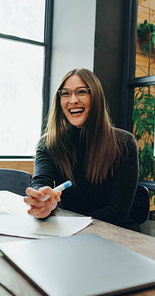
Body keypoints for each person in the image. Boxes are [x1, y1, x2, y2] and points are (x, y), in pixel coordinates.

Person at [24, 68, 140, 230]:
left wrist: (70, 225)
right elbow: (41, 182)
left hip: (113, 234)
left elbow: (117, 213)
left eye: (82, 92)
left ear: (96, 98)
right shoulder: (48, 144)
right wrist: (41, 200)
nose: (73, 100)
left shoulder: (124, 143)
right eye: (65, 93)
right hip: (69, 231)